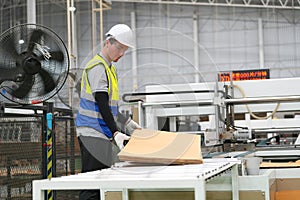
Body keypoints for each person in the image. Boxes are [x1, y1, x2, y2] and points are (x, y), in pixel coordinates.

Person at [75, 24, 141, 200]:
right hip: (91, 132)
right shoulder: (97, 67)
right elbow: (101, 103)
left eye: (124, 50)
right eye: (119, 48)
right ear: (107, 43)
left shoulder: (110, 68)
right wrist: (115, 131)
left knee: (101, 182)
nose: (121, 54)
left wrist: (127, 123)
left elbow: (110, 108)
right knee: (92, 185)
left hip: (101, 133)